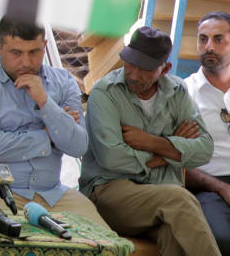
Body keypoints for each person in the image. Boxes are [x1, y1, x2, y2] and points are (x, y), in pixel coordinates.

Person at [80, 26, 218, 255]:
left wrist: (154, 143)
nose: (133, 74)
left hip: (161, 197)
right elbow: (111, 158)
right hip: (111, 192)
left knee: (174, 235)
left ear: (165, 69)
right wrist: (170, 152)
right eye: (130, 63)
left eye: (144, 68)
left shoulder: (178, 91)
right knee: (180, 200)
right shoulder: (105, 92)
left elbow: (205, 149)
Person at [0, 17, 106, 225]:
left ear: (45, 47)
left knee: (105, 243)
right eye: (16, 53)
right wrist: (49, 135)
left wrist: (45, 103)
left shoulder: (64, 82)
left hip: (53, 194)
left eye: (34, 52)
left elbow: (78, 146)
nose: (26, 62)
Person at [184, 11, 230, 255]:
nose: (209, 47)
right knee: (221, 239)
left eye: (218, 39)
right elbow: (176, 160)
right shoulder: (184, 92)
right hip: (208, 186)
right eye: (203, 39)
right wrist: (221, 188)